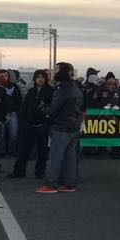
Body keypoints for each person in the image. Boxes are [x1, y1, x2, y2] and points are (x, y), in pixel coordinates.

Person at [38, 62, 83, 194]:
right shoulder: (76, 88)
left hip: (61, 127)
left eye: (56, 69)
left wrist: (42, 108)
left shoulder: (62, 90)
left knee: (55, 156)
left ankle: (51, 184)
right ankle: (70, 183)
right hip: (73, 126)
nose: (53, 72)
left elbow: (52, 110)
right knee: (70, 156)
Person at [8, 69, 53, 179]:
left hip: (43, 125)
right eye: (38, 77)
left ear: (46, 78)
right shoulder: (31, 91)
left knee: (42, 151)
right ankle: (19, 171)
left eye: (42, 77)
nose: (40, 79)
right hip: (29, 124)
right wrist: (23, 119)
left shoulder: (51, 91)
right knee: (24, 149)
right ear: (35, 78)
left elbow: (52, 108)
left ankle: (39, 172)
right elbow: (25, 105)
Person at [2, 70, 23, 157]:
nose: (4, 77)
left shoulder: (15, 87)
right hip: (1, 114)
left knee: (13, 133)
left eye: (6, 75)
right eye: (2, 75)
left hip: (12, 113)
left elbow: (19, 100)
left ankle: (12, 151)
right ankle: (2, 152)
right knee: (1, 135)